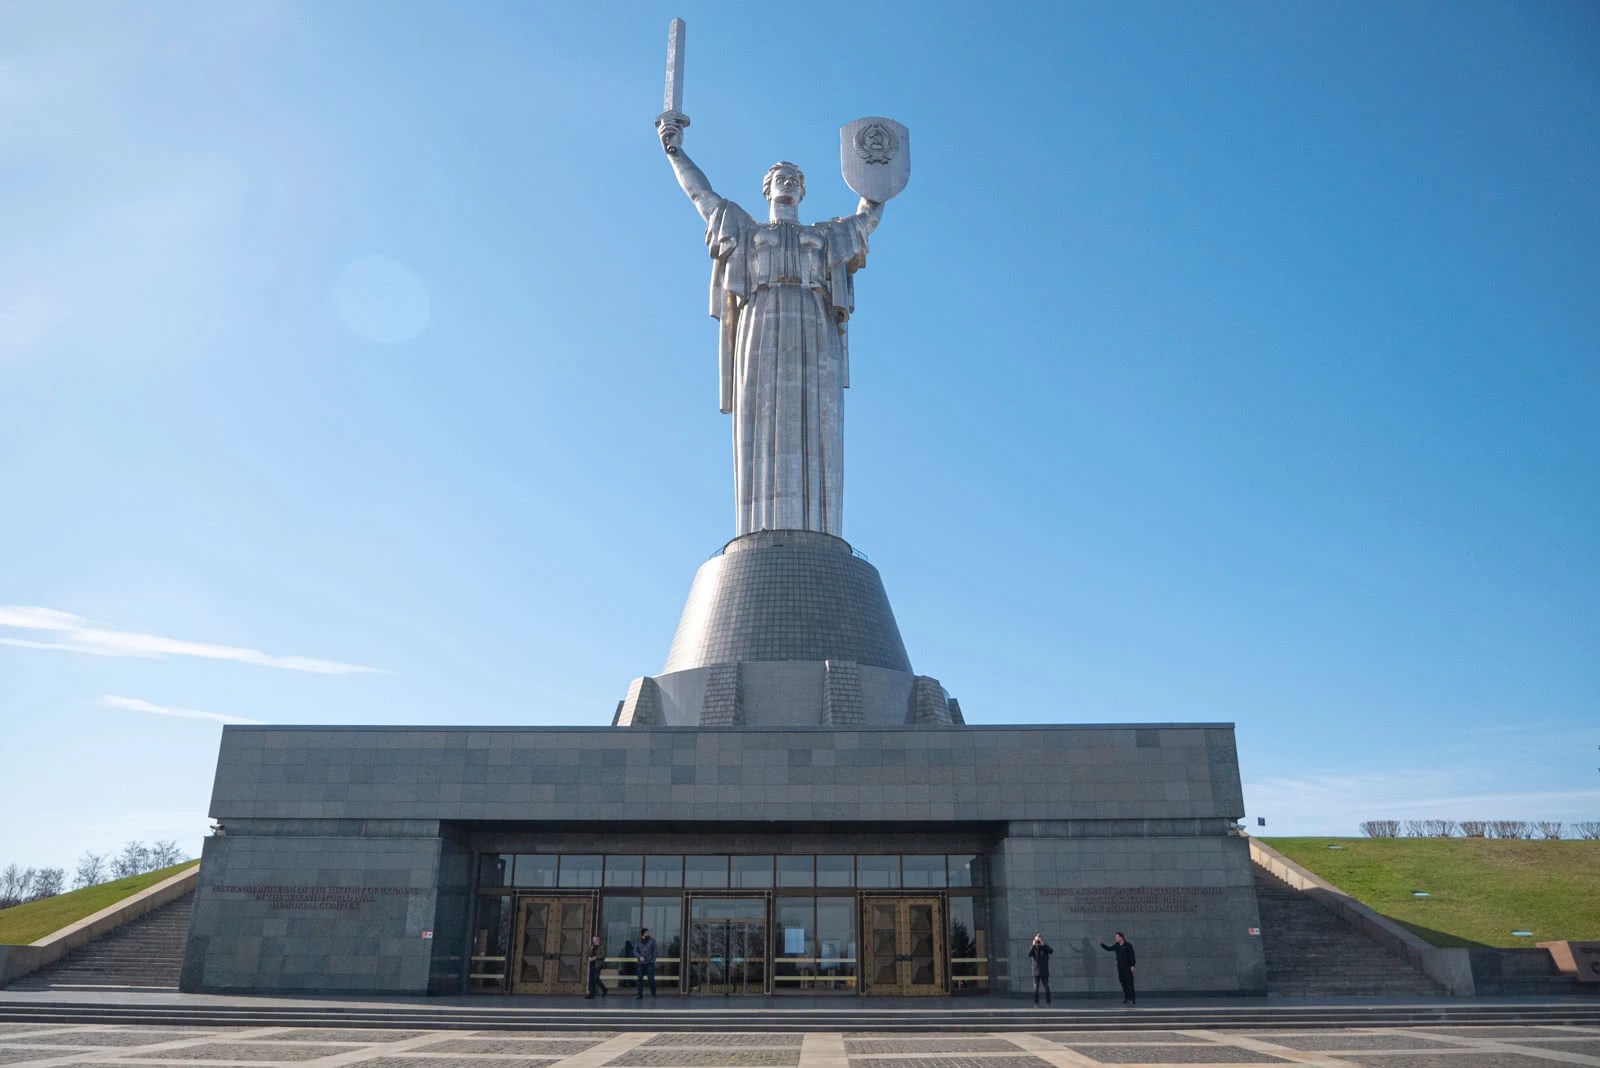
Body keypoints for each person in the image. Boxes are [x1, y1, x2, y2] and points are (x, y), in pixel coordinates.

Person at [657, 116, 884, 538]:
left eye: (795, 178)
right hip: (760, 321)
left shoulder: (823, 236)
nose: (789, 182)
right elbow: (700, 195)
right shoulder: (746, 230)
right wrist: (675, 151)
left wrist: (876, 177)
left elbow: (866, 220)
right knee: (761, 417)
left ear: (802, 190)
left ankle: (817, 529)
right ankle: (759, 530)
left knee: (817, 419)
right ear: (768, 188)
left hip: (813, 324)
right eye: (781, 177)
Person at [1100, 931, 1137, 1005]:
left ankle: (1132, 999)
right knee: (1123, 982)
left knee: (1129, 983)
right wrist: (1102, 944)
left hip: (1127, 967)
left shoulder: (1128, 945)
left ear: (1121, 937)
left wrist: (1132, 965)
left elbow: (1132, 956)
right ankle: (1127, 998)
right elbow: (1109, 949)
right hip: (1120, 967)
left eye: (1116, 937)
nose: (1115, 938)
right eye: (1115, 937)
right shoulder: (1116, 945)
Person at [1028, 933, 1053, 1006]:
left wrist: (1043, 944)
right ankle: (1036, 1003)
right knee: (1036, 989)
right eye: (1037, 939)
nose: (1038, 941)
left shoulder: (1044, 947)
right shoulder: (1033, 948)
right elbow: (1029, 954)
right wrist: (1033, 945)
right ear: (1034, 940)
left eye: (1039, 939)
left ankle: (1048, 1002)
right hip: (1036, 971)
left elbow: (1051, 951)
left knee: (1047, 987)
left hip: (1044, 971)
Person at [634, 926, 658, 998]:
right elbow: (634, 951)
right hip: (640, 963)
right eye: (646, 932)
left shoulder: (652, 940)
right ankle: (639, 994)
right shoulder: (638, 941)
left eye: (648, 932)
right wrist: (639, 957)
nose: (647, 933)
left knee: (651, 979)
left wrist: (652, 960)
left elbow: (655, 951)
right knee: (639, 979)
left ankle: (653, 993)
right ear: (643, 933)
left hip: (649, 963)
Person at [585, 934, 608, 999]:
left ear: (598, 940)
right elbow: (588, 954)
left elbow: (603, 955)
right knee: (591, 979)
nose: (595, 941)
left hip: (598, 964)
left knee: (596, 978)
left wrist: (595, 958)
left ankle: (604, 989)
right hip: (592, 964)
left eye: (596, 940)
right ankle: (591, 993)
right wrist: (589, 958)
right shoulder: (591, 946)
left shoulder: (602, 947)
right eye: (594, 940)